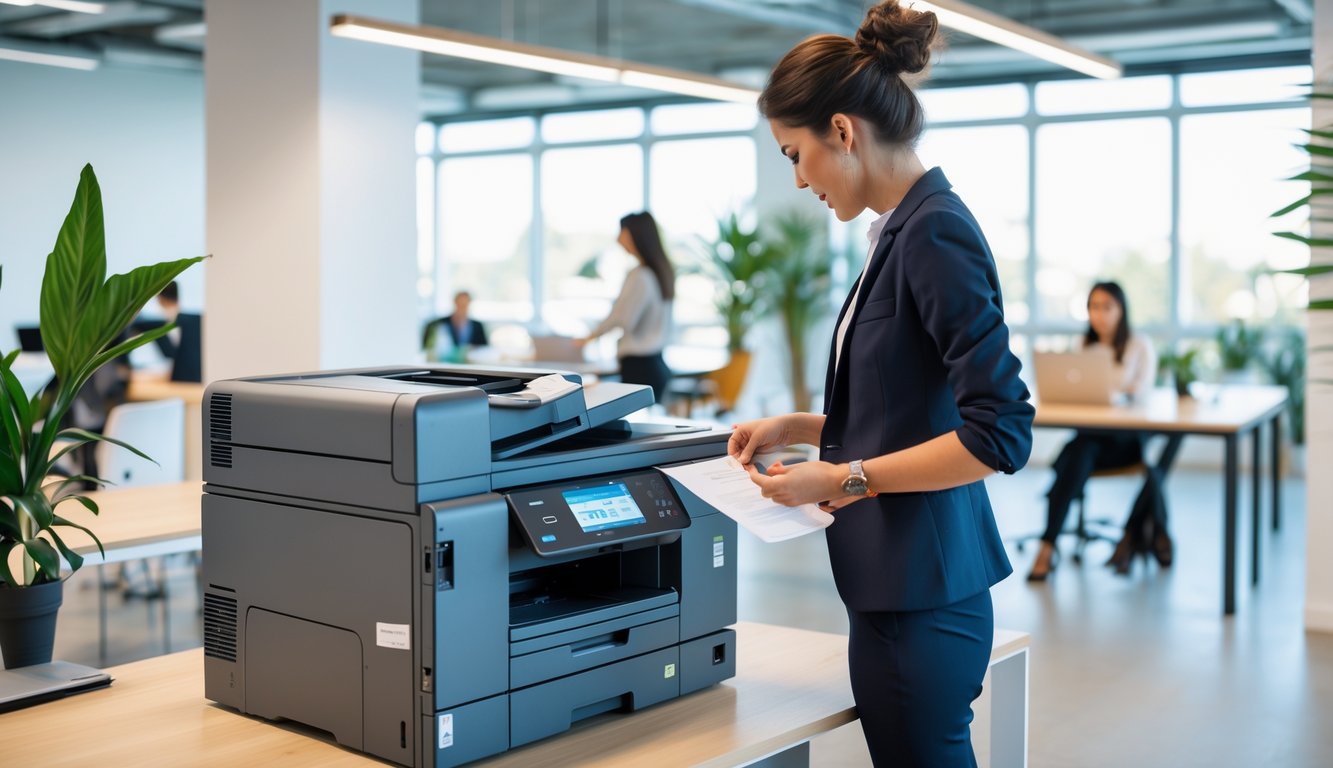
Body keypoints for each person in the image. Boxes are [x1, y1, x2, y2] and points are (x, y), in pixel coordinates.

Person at [728, 3, 1034, 765]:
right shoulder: (899, 230)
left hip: (919, 600)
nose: (797, 180)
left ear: (841, 131)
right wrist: (801, 427)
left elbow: (999, 433)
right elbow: (908, 397)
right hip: (904, 590)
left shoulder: (933, 230)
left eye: (794, 154)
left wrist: (849, 478)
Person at [1026, 281, 1165, 581]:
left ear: (1122, 310)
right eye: (1093, 307)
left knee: (1074, 456)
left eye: (1107, 307)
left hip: (1126, 440)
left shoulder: (1139, 345)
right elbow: (1079, 391)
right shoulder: (1084, 345)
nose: (1099, 314)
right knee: (1081, 450)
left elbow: (1140, 394)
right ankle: (1048, 544)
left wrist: (1117, 397)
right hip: (1092, 439)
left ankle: (1046, 546)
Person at [583, 212, 675, 404]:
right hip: (656, 363)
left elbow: (623, 318)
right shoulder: (661, 272)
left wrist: (590, 337)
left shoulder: (640, 276)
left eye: (622, 231)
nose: (618, 238)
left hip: (639, 367)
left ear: (635, 234)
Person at [423, 291, 488, 355]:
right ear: (454, 303)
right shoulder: (439, 324)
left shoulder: (478, 326)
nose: (462, 308)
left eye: (465, 305)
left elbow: (484, 349)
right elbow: (428, 348)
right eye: (460, 304)